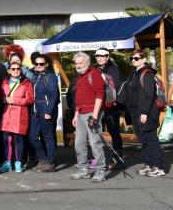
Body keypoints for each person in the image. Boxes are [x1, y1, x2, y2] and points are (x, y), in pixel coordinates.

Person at [124, 52, 166, 177]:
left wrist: (144, 112)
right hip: (135, 112)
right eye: (132, 58)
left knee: (151, 139)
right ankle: (149, 164)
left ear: (144, 59)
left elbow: (148, 95)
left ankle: (158, 167)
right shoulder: (134, 73)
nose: (133, 60)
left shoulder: (147, 74)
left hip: (147, 113)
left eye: (136, 58)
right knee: (143, 140)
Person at [69, 52, 107, 182]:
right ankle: (83, 169)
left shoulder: (94, 74)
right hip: (80, 113)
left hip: (92, 113)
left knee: (95, 143)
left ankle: (100, 170)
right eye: (76, 63)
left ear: (87, 63)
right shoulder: (80, 76)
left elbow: (100, 94)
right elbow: (79, 99)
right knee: (79, 143)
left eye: (81, 63)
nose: (78, 65)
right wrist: (76, 114)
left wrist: (95, 115)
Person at [0, 61, 34, 173]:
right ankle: (8, 163)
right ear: (9, 71)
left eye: (18, 68)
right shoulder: (4, 82)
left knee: (19, 140)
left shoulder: (26, 83)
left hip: (19, 116)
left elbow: (30, 99)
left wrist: (14, 101)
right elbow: (1, 96)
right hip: (7, 115)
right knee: (7, 140)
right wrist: (4, 99)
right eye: (13, 69)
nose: (16, 70)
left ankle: (18, 163)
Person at [29, 53, 60, 172]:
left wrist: (49, 111)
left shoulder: (50, 76)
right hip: (35, 110)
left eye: (41, 64)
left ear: (46, 64)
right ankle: (43, 159)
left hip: (45, 110)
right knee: (33, 136)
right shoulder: (35, 76)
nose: (38, 66)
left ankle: (50, 162)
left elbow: (53, 95)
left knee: (47, 136)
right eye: (36, 64)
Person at [94, 48, 124, 166]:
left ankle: (117, 159)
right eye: (97, 56)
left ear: (107, 57)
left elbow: (114, 88)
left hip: (112, 107)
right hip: (100, 106)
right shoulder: (96, 69)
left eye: (102, 56)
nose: (99, 58)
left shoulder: (113, 69)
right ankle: (100, 159)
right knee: (97, 133)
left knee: (114, 132)